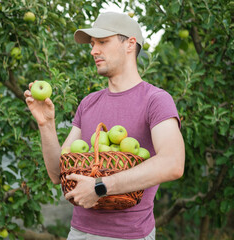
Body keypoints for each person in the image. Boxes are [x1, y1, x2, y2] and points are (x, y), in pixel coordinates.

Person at [24, 12, 185, 240]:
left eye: (102, 42)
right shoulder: (89, 103)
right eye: (92, 44)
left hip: (130, 236)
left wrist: (101, 187)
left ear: (129, 44)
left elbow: (173, 163)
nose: (93, 51)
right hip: (79, 232)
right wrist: (46, 123)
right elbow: (57, 173)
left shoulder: (155, 100)